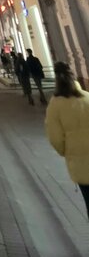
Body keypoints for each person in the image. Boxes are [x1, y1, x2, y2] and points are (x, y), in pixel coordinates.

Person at [46, 62, 89, 219]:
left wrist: (66, 150)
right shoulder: (87, 97)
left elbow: (55, 138)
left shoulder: (55, 105)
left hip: (80, 164)